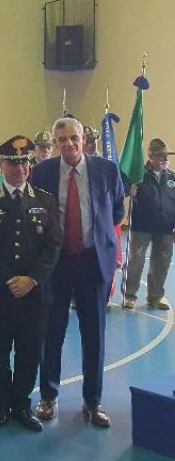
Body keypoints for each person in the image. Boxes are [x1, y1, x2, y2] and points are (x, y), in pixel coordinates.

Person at [31, 117, 124, 428]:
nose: (68, 144)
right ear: (55, 143)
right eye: (62, 139)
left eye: (74, 138)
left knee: (94, 336)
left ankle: (92, 402)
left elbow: (118, 209)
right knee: (51, 332)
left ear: (83, 140)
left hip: (92, 263)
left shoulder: (106, 170)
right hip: (55, 265)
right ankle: (48, 397)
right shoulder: (42, 172)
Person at [0, 136, 61, 432]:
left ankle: (22, 404)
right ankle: (1, 404)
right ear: (1, 165)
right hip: (0, 291)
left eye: (24, 162)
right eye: (13, 162)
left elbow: (53, 246)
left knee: (30, 350)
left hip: (36, 292)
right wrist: (11, 279)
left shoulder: (45, 200)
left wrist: (32, 279)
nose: (19, 168)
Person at [123, 138, 175, 310]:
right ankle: (129, 296)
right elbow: (120, 190)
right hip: (142, 227)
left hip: (166, 229)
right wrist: (128, 190)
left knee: (162, 264)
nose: (164, 159)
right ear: (151, 157)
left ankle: (155, 297)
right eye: (160, 156)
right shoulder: (138, 175)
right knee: (136, 261)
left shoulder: (172, 178)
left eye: (166, 156)